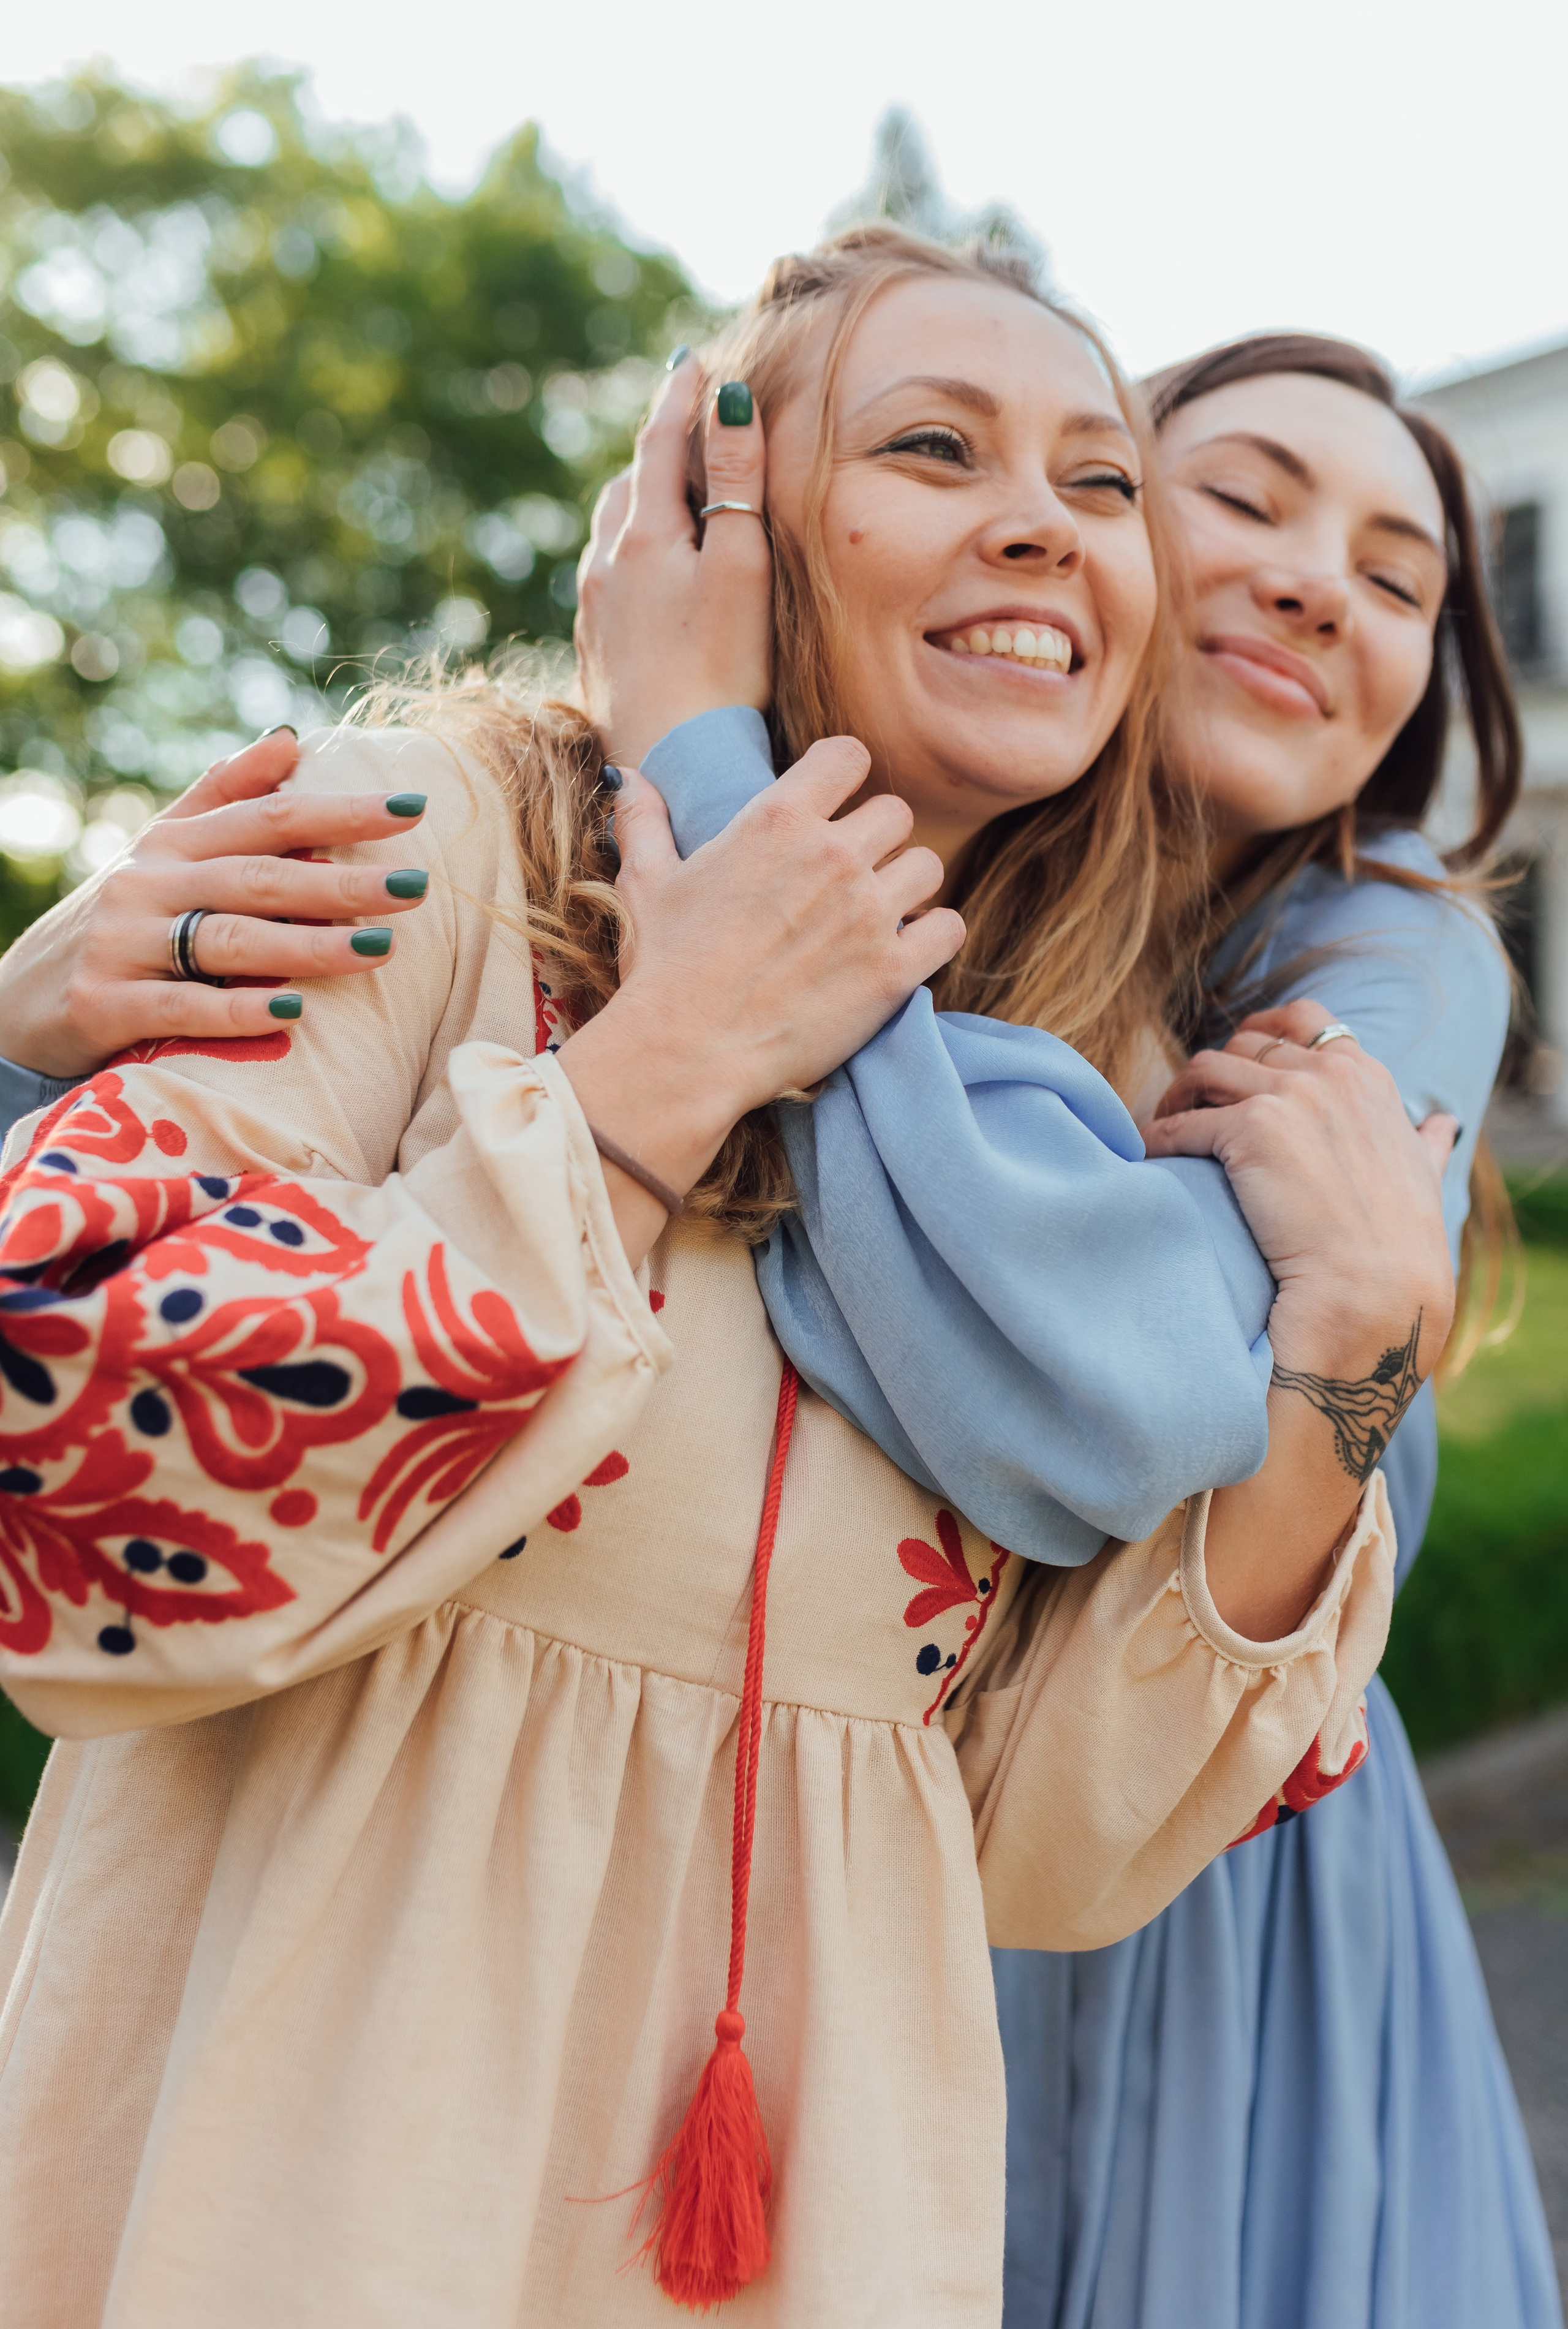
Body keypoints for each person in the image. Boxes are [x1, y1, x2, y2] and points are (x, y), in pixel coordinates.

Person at [0, 230, 1437, 2327]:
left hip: (819, 2229)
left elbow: (1044, 1857)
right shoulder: (416, 852)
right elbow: (74, 1509)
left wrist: (1349, 1370)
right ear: (722, 518)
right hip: (304, 2157)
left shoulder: (1082, 1143)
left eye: (1102, 480)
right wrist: (662, 1072)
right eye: (934, 447)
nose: (1042, 518)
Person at [567, 325, 1562, 2326]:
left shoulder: (1384, 960)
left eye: (1395, 581)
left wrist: (703, 757)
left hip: (1210, 1898)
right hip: (834, 1871)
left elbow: (1103, 1385)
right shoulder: (911, 891)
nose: (1315, 586)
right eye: (1245, 504)